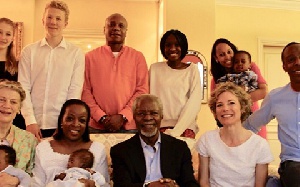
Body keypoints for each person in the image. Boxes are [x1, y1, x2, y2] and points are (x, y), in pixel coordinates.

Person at [18, 0, 85, 140]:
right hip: (30, 124)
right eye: (49, 17)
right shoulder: (29, 52)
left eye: (58, 18)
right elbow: (23, 87)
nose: (53, 22)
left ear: (65, 23)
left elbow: (74, 91)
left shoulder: (76, 53)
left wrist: (64, 124)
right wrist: (30, 121)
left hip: (61, 126)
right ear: (43, 20)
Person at [110, 94, 199, 187]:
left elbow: (190, 183)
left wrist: (175, 186)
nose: (148, 118)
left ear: (161, 116)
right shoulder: (120, 151)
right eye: (141, 114)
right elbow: (121, 185)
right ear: (134, 117)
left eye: (154, 113)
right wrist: (148, 186)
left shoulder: (179, 148)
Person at [244, 42, 300, 187]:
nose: (297, 63)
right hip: (292, 164)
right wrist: (226, 137)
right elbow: (250, 125)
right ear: (284, 66)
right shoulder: (275, 97)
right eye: (291, 59)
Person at [82, 13, 148, 133]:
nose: (116, 28)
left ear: (125, 31)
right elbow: (85, 91)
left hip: (129, 126)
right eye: (111, 25)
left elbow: (142, 91)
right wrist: (101, 117)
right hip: (96, 126)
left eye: (121, 26)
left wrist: (123, 116)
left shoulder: (137, 57)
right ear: (104, 30)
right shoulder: (89, 57)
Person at [197, 82, 273, 187]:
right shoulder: (206, 140)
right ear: (215, 112)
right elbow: (204, 183)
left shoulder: (259, 145)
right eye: (219, 105)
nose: (225, 109)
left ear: (242, 108)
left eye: (231, 103)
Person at [31, 99, 109, 187]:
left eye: (82, 120)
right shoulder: (43, 148)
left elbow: (104, 184)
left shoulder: (98, 149)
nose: (76, 124)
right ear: (61, 121)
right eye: (70, 119)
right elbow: (36, 184)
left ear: (87, 124)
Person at [210, 38, 267, 138]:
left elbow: (263, 92)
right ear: (216, 58)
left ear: (233, 50)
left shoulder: (250, 66)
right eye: (222, 55)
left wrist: (235, 99)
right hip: (229, 125)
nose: (227, 57)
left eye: (229, 52)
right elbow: (215, 106)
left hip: (253, 120)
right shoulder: (216, 79)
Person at [149, 29, 201, 139]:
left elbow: (194, 103)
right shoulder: (155, 69)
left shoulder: (192, 70)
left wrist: (177, 131)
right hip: (159, 128)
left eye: (177, 45)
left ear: (183, 46)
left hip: (185, 128)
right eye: (168, 45)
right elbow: (149, 100)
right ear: (163, 48)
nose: (172, 48)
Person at [0, 80, 37, 186]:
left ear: (19, 109)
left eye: (13, 102)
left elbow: (34, 178)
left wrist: (17, 181)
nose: (7, 105)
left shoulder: (29, 140)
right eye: (1, 100)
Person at [0, 17, 25, 130]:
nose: (3, 37)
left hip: (12, 120)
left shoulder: (18, 65)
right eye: (0, 32)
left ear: (12, 38)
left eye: (8, 34)